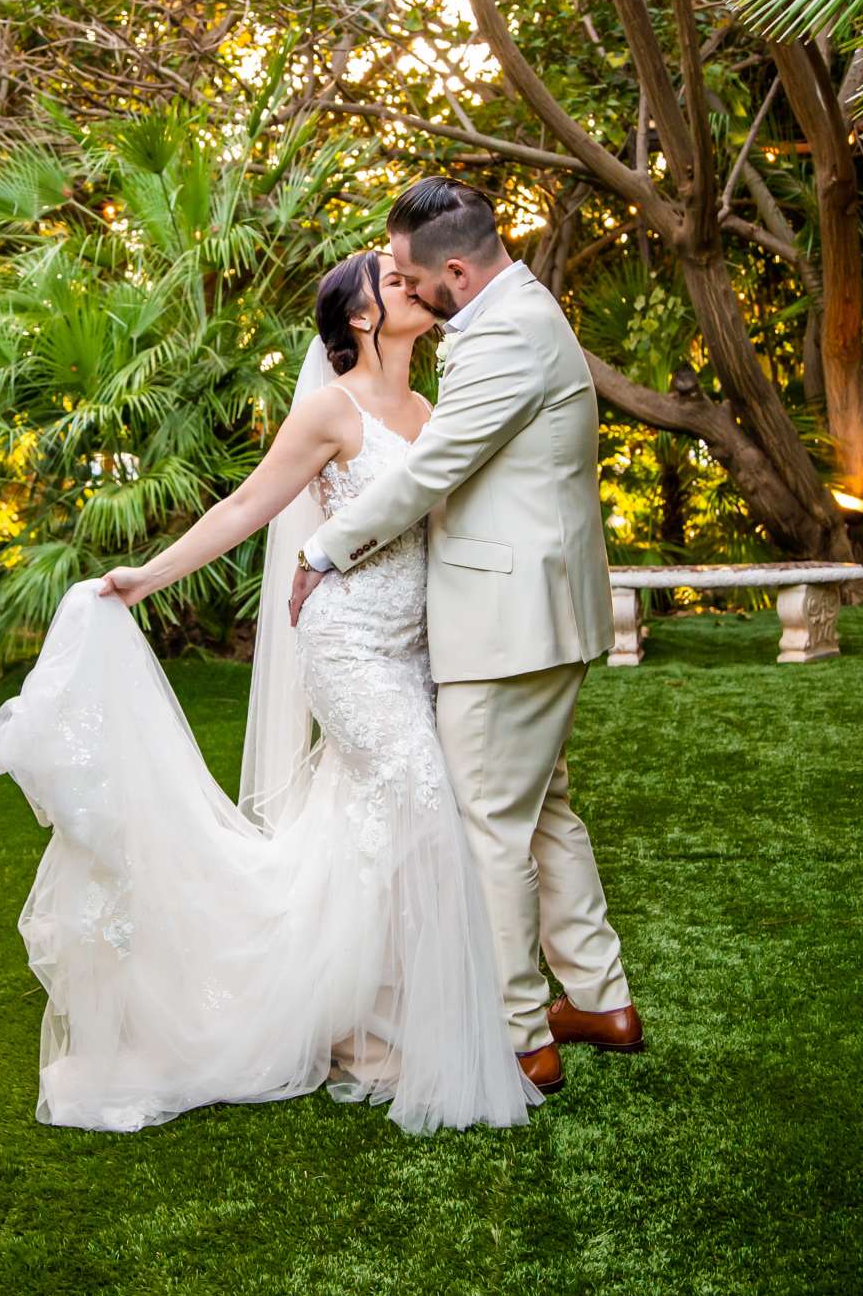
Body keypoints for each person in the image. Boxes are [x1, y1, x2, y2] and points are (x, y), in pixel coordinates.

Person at [0, 246, 536, 1133]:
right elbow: (246, 506)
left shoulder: (431, 408)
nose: (419, 286)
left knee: (373, 825)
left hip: (413, 645)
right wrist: (145, 577)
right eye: (396, 282)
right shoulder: (330, 408)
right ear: (360, 317)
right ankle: (413, 1035)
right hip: (348, 643)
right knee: (422, 797)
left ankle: (355, 1012)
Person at [288, 177, 643, 1094]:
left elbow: (435, 468)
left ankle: (521, 1032)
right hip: (535, 613)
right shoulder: (517, 312)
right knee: (545, 808)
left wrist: (323, 550)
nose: (400, 286)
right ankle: (601, 996)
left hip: (506, 622)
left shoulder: (507, 337)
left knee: (487, 823)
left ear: (455, 268)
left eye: (407, 273)